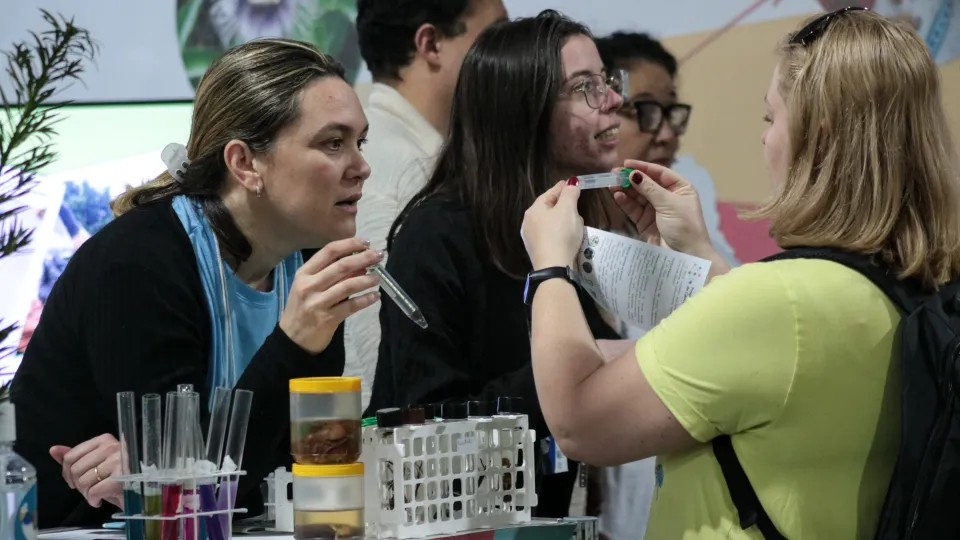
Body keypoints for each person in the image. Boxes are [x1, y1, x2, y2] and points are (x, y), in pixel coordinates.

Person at [520, 8, 960, 538]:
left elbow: (578, 422)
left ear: (816, 135)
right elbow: (780, 369)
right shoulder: (905, 285)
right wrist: (700, 253)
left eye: (771, 118)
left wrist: (550, 268)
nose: (765, 139)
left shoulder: (782, 302)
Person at [11, 38, 380, 528]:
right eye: (333, 143)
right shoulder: (140, 264)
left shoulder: (304, 260)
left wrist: (162, 473)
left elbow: (303, 465)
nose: (361, 166)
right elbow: (189, 490)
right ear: (245, 164)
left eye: (360, 142)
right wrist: (293, 341)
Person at [365, 10, 624, 518]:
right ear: (522, 109)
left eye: (608, 81)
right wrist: (579, 364)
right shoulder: (437, 234)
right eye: (585, 86)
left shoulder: (575, 222)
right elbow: (427, 426)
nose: (613, 100)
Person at [346, 0, 508, 408]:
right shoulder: (393, 171)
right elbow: (385, 359)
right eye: (494, 36)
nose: (509, 54)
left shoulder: (426, 160)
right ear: (432, 43)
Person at [591, 31, 689, 540]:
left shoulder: (677, 238)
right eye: (646, 110)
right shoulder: (553, 241)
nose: (667, 135)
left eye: (672, 113)